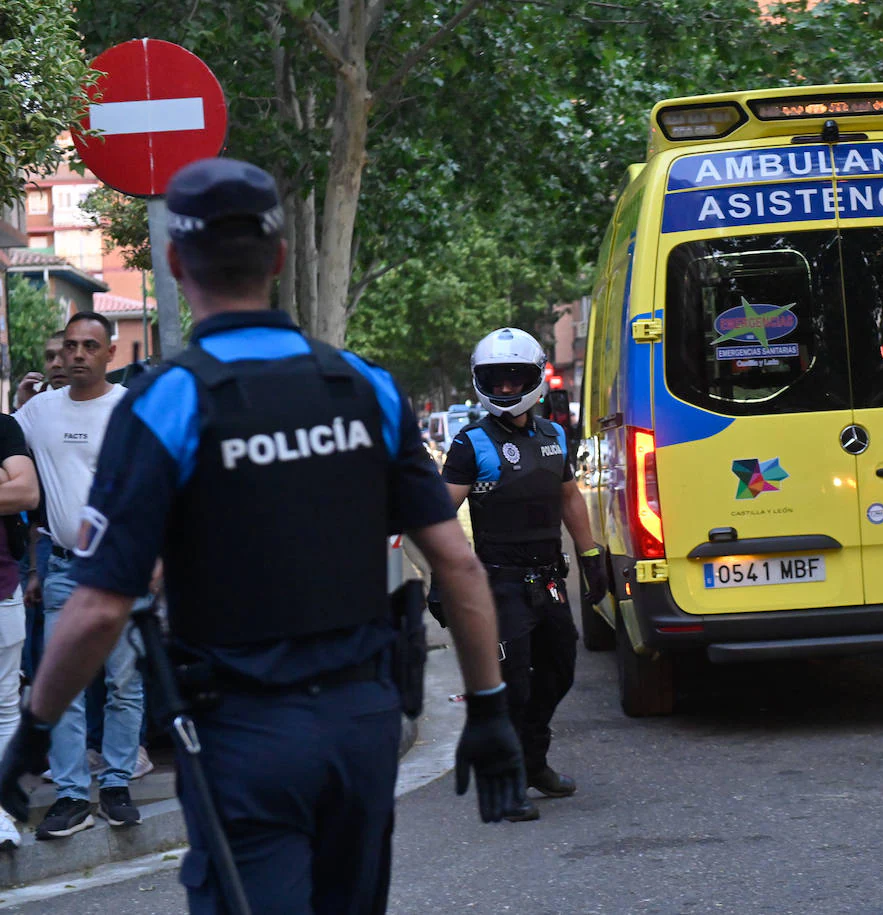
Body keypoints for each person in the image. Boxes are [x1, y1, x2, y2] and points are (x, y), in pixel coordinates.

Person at [0, 157, 524, 912]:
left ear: (176, 263)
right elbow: (457, 564)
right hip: (363, 724)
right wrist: (490, 706)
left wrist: (31, 734)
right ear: (279, 258)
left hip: (246, 737)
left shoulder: (166, 404)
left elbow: (99, 606)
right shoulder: (363, 386)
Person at [442, 327, 608, 822]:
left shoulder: (555, 435)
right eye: (498, 380)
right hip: (498, 583)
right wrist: (442, 579)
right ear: (481, 382)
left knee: (559, 670)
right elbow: (439, 514)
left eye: (516, 380)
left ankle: (534, 762)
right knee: (511, 684)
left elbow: (568, 497)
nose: (508, 389)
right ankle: (507, 777)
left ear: (533, 379)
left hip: (549, 580)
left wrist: (590, 554)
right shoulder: (471, 443)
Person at [13, 311, 147, 839]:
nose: (77, 355)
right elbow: (11, 452)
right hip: (64, 566)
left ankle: (115, 785)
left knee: (123, 683)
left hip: (123, 565)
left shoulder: (130, 410)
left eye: (90, 346)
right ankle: (71, 796)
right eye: (70, 346)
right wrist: (19, 404)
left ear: (110, 354)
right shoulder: (40, 411)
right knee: (62, 685)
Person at [18, 332, 68, 681]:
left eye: (62, 354)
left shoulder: (114, 404)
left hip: (97, 545)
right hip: (41, 540)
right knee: (39, 638)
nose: (57, 363)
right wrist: (22, 403)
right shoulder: (36, 411)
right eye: (49, 356)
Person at [0, 414, 39, 848]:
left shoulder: (3, 428)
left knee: (5, 703)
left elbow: (26, 491)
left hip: (2, 584)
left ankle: (2, 812)